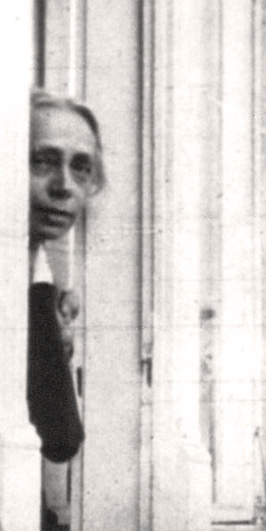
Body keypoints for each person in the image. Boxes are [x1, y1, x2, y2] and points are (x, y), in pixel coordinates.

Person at [27, 89, 105, 465]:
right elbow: (61, 434)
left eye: (81, 167)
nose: (64, 186)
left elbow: (61, 437)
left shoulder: (39, 278)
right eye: (43, 161)